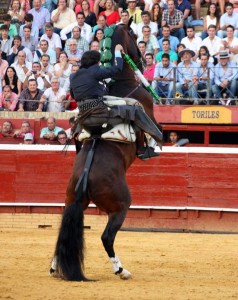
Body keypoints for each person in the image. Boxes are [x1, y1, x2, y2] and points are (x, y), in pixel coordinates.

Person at [70, 45, 162, 160]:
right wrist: (117, 52)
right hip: (99, 114)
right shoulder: (95, 71)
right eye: (98, 62)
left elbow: (74, 95)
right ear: (95, 62)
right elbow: (118, 69)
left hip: (83, 116)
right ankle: (143, 147)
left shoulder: (73, 76)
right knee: (135, 110)